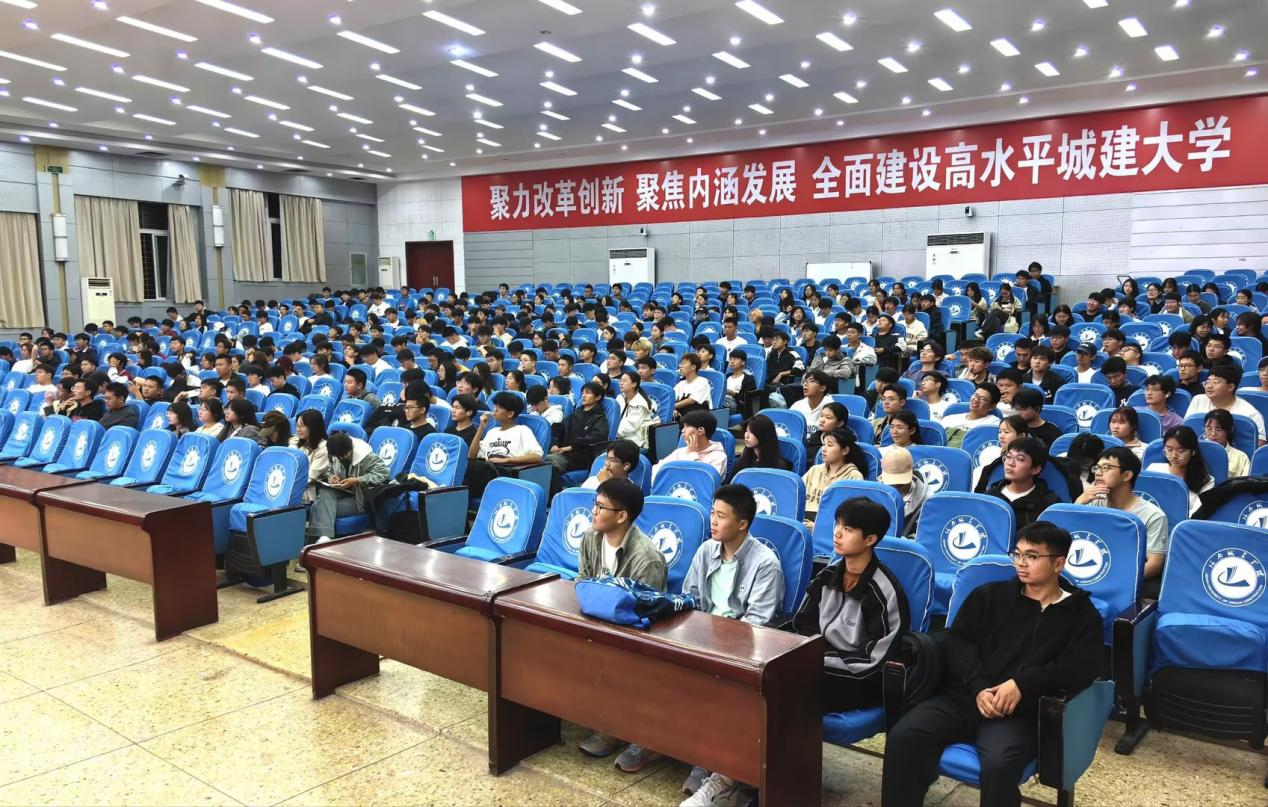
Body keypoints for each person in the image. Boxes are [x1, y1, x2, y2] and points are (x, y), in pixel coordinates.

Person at [881, 520, 1104, 807]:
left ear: (1058, 563)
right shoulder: (990, 596)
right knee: (903, 737)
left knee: (1000, 765)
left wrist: (1023, 685)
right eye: (1017, 554)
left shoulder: (1081, 614)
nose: (1021, 563)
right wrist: (978, 687)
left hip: (1019, 713)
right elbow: (959, 644)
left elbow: (1081, 668)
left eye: (1032, 556)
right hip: (964, 698)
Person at [575, 478, 669, 766]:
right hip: (596, 621)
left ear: (621, 516)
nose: (593, 511)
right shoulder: (591, 538)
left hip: (633, 633)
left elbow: (646, 612)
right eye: (594, 504)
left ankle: (621, 727)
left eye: (600, 507)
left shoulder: (647, 558)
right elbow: (582, 582)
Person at [792, 495, 909, 715]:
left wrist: (820, 662)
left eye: (848, 529)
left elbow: (876, 660)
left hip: (859, 679)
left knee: (790, 696)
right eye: (837, 524)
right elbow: (802, 624)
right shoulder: (826, 577)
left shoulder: (884, 592)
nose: (837, 533)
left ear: (870, 539)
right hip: (818, 667)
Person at [1076, 446, 1169, 597]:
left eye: (1106, 468)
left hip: (1126, 577)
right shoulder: (1093, 502)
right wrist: (1079, 502)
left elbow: (1154, 564)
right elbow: (1072, 538)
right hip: (1092, 569)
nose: (1098, 473)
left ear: (1126, 475)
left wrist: (1118, 580)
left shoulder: (1154, 515)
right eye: (1097, 467)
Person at [306, 430, 390, 544]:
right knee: (325, 491)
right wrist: (332, 477)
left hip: (361, 498)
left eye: (341, 456)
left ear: (349, 449)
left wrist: (357, 480)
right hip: (344, 492)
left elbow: (383, 474)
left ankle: (319, 541)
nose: (339, 459)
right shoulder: (335, 453)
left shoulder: (366, 456)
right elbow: (330, 470)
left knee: (318, 507)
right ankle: (323, 538)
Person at [466, 391, 544, 498]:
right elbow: (471, 456)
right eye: (494, 407)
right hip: (488, 468)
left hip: (507, 470)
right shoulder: (492, 432)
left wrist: (507, 460)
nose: (494, 410)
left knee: (470, 468)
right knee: (467, 465)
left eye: (499, 408)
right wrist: (481, 427)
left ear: (510, 414)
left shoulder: (522, 430)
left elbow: (537, 456)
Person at [982, 437, 1062, 529]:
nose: (1010, 463)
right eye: (1008, 457)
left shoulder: (1048, 505)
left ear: (1035, 469)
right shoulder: (989, 497)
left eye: (1020, 459)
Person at [1186, 363, 1266, 446]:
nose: (1209, 386)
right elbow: (1186, 429)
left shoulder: (1250, 414)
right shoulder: (1198, 400)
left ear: (1230, 387)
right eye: (1207, 382)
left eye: (1215, 382)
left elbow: (1258, 446)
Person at [546, 381, 610, 485]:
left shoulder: (599, 418)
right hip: (562, 453)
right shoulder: (576, 413)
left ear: (597, 397)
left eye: (588, 393)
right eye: (583, 393)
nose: (583, 395)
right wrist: (554, 444)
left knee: (547, 464)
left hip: (580, 457)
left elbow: (595, 438)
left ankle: (554, 494)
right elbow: (558, 428)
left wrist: (569, 448)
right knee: (537, 462)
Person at [802, 427, 866, 528]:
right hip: (804, 521)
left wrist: (816, 526)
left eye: (830, 445)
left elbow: (851, 514)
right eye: (823, 444)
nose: (823, 449)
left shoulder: (854, 476)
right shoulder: (814, 470)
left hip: (830, 527)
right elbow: (798, 498)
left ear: (845, 450)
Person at [1145, 425, 1214, 516]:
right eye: (1169, 449)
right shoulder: (1153, 470)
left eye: (1181, 451)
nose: (1174, 456)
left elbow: (1196, 515)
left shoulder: (1206, 481)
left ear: (1193, 452)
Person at [653, 410, 729, 479]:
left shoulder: (718, 457)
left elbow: (702, 481)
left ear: (701, 430)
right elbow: (657, 468)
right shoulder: (680, 452)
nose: (683, 430)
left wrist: (692, 454)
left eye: (687, 426)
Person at [879, 447, 929, 537]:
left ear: (912, 472)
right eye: (891, 483)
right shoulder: (875, 492)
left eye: (900, 484)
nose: (895, 486)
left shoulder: (927, 501)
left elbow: (921, 536)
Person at [727, 413, 791, 481]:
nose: (746, 436)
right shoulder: (744, 460)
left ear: (763, 435)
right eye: (746, 431)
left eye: (752, 432)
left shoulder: (779, 467)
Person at [942, 383, 1003, 449]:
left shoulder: (994, 424)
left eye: (983, 399)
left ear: (992, 406)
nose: (976, 400)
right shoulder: (949, 419)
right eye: (975, 395)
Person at [290, 409, 330, 504]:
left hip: (310, 492)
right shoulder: (297, 442)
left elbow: (309, 477)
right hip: (294, 485)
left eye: (302, 426)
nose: (298, 429)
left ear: (313, 427)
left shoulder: (324, 448)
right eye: (297, 426)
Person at [615, 370, 658, 450]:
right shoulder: (619, 398)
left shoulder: (640, 403)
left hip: (635, 441)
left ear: (634, 384)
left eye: (624, 381)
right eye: (620, 380)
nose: (621, 383)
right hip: (619, 437)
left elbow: (629, 428)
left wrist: (611, 433)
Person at [1204, 408, 1250, 478]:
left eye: (1218, 429)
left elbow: (1246, 482)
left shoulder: (1241, 457)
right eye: (1209, 429)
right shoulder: (1197, 452)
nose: (1213, 434)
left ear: (1230, 429)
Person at [791, 369, 832, 442]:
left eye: (811, 381)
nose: (805, 384)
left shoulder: (832, 408)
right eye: (804, 381)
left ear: (822, 388)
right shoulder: (797, 406)